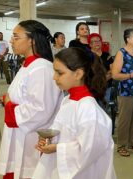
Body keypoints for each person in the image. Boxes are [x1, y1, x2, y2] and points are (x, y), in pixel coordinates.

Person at [32, 48, 116, 179]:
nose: (54, 77)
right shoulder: (67, 100)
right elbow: (62, 132)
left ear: (78, 74)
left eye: (59, 73)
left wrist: (57, 149)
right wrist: (48, 138)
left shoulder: (89, 110)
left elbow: (89, 151)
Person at [0, 20, 63, 179]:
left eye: (16, 37)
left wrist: (9, 106)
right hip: (20, 136)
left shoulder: (42, 68)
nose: (11, 41)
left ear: (32, 40)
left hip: (31, 139)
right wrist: (5, 98)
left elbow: (40, 110)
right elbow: (23, 96)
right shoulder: (28, 65)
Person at [112, 28, 133, 157]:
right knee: (125, 119)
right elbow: (115, 75)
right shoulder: (121, 53)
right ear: (128, 39)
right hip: (125, 91)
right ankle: (121, 144)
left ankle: (132, 141)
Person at [88, 33, 113, 102]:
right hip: (92, 87)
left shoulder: (107, 55)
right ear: (90, 44)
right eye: (94, 41)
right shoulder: (87, 56)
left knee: (104, 108)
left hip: (106, 86)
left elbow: (113, 70)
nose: (97, 43)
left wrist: (103, 79)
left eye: (98, 41)